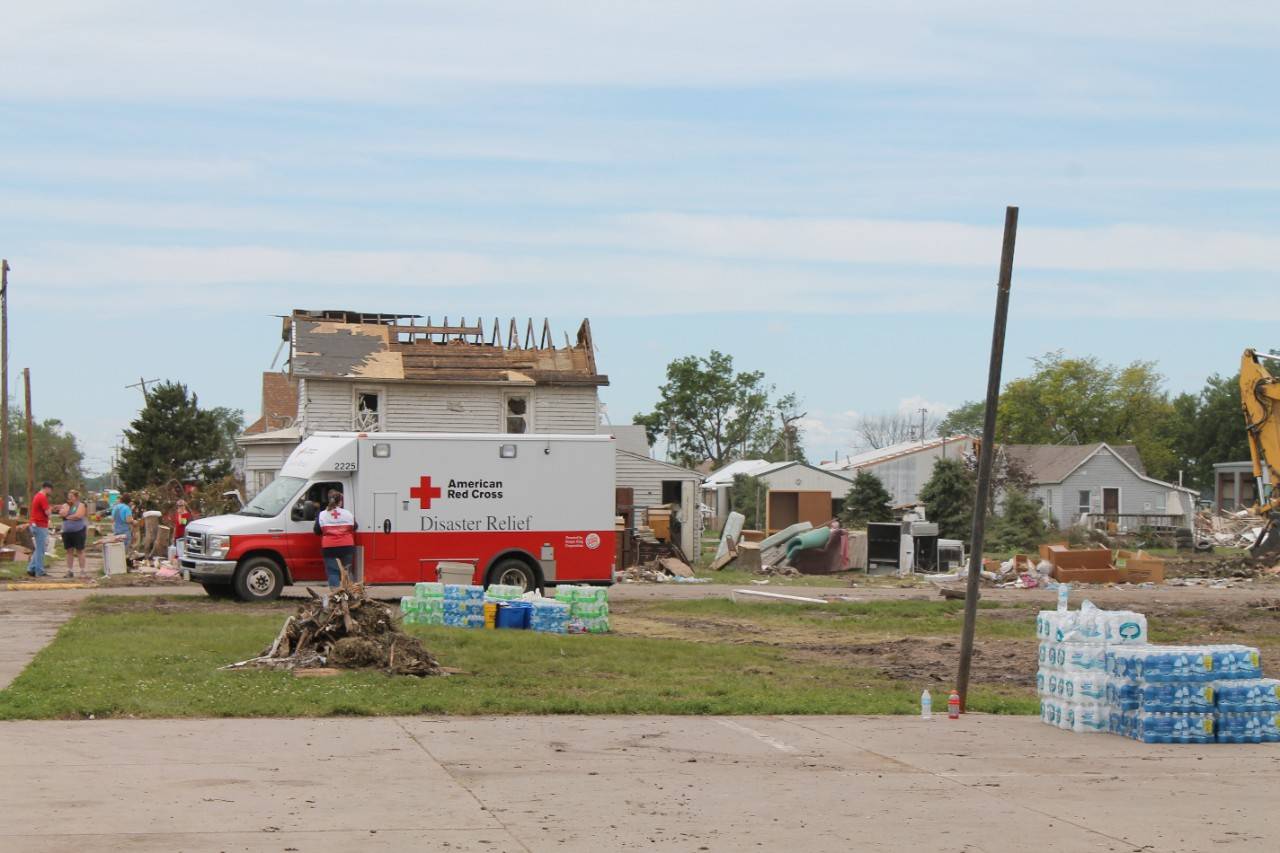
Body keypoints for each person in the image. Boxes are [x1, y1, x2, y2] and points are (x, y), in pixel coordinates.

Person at [315, 489, 356, 589]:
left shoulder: (322, 514)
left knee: (333, 571)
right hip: (347, 547)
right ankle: (349, 595)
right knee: (346, 570)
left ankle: (335, 596)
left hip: (329, 548)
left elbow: (317, 531)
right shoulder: (348, 513)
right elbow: (355, 527)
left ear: (329, 500)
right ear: (340, 501)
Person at [59, 489, 89, 578]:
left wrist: (67, 516)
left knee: (80, 550)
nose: (69, 498)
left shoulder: (81, 505)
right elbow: (61, 514)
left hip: (78, 530)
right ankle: (69, 570)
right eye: (69, 496)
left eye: (71, 496)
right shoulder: (66, 505)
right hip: (67, 531)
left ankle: (82, 570)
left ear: (76, 497)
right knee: (69, 551)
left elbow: (78, 515)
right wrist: (68, 514)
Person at [27, 481, 53, 577]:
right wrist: (51, 509)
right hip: (40, 525)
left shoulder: (37, 496)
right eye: (50, 490)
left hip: (35, 524)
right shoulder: (42, 497)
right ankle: (39, 571)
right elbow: (47, 512)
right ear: (47, 488)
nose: (50, 492)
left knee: (38, 548)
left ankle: (31, 568)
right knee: (41, 549)